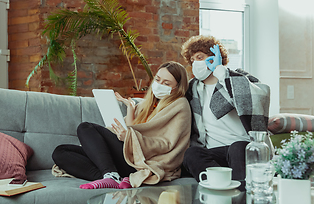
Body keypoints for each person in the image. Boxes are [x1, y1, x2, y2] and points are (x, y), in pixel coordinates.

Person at [52, 61, 191, 189]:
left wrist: (129, 137)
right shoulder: (146, 104)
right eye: (158, 79)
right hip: (126, 154)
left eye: (166, 83)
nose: (159, 84)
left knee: (85, 127)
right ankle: (113, 177)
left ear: (178, 87)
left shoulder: (179, 105)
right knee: (60, 152)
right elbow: (132, 129)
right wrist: (131, 110)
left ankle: (110, 174)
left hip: (142, 160)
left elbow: (167, 144)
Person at [180, 35, 272, 181]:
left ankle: (240, 197)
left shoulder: (236, 78)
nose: (195, 63)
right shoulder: (192, 89)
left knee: (237, 148)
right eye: (192, 60)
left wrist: (220, 71)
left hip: (243, 148)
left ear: (215, 56)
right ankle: (217, 186)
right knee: (192, 154)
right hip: (213, 152)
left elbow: (259, 96)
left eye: (199, 57)